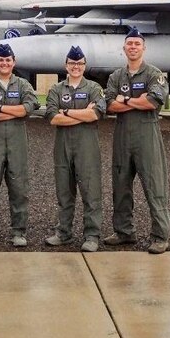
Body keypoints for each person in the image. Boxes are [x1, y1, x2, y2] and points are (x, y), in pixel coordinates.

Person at [104, 28, 170, 254]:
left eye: (137, 44)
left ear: (143, 48)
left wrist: (124, 99)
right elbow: (110, 106)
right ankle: (124, 231)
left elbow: (153, 102)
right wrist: (135, 100)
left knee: (154, 185)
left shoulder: (154, 74)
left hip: (147, 134)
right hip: (122, 134)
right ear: (124, 49)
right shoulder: (116, 76)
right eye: (129, 44)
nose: (133, 47)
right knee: (120, 185)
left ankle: (160, 236)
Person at [0, 43, 39, 248]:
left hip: (17, 143)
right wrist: (14, 110)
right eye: (1, 60)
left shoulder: (23, 85)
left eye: (8, 60)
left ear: (13, 62)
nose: (4, 63)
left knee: (19, 188)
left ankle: (19, 231)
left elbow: (29, 108)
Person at [43, 45, 106, 252]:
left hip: (87, 146)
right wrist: (80, 114)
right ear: (66, 65)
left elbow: (95, 114)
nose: (75, 67)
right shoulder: (56, 89)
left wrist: (66, 112)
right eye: (72, 63)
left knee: (90, 191)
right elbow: (53, 118)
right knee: (64, 191)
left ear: (84, 65)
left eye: (79, 63)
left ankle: (92, 235)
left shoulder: (94, 89)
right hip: (62, 146)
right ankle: (64, 232)